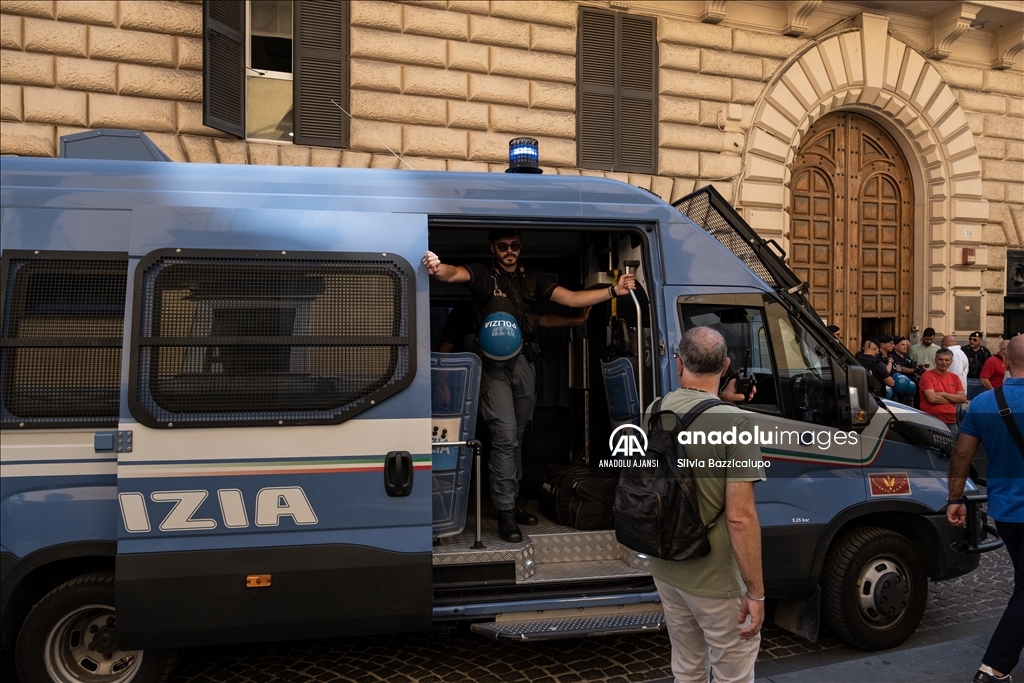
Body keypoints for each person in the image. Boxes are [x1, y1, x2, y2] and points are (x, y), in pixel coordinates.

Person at [423, 231, 635, 542]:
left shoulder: (532, 278)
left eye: (516, 246)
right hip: (490, 368)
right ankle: (506, 512)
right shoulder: (483, 274)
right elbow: (453, 273)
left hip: (522, 364)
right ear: (493, 247)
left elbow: (572, 299)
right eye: (503, 246)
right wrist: (436, 266)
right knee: (506, 436)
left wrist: (613, 292)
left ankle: (515, 502)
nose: (510, 251)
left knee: (518, 436)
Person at [648, 327, 765, 683]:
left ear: (679, 363)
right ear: (726, 365)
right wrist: (756, 593)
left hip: (666, 563)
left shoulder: (657, 410)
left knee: (687, 666)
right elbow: (740, 517)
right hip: (714, 577)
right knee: (733, 672)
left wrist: (722, 402)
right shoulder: (738, 424)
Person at [946, 335, 1024, 683]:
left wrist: (955, 498)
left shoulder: (982, 404)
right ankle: (993, 668)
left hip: (1006, 511)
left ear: (1005, 363)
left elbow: (961, 456)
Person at [919, 348, 967, 435]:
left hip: (951, 421)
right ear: (935, 360)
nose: (944, 362)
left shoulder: (955, 377)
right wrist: (953, 398)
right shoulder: (927, 376)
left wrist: (943, 394)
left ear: (951, 362)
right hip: (931, 420)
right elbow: (932, 399)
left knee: (951, 447)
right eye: (940, 359)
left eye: (947, 360)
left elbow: (963, 398)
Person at [889, 336, 918, 405]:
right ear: (895, 346)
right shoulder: (891, 357)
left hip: (910, 389)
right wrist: (915, 370)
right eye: (902, 345)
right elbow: (900, 369)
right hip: (899, 390)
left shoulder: (907, 356)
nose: (905, 347)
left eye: (906, 345)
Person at [963, 331, 992, 400]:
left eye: (974, 340)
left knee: (980, 400)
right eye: (970, 339)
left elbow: (989, 364)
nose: (972, 341)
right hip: (967, 380)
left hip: (980, 381)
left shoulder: (985, 351)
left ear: (980, 341)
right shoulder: (964, 350)